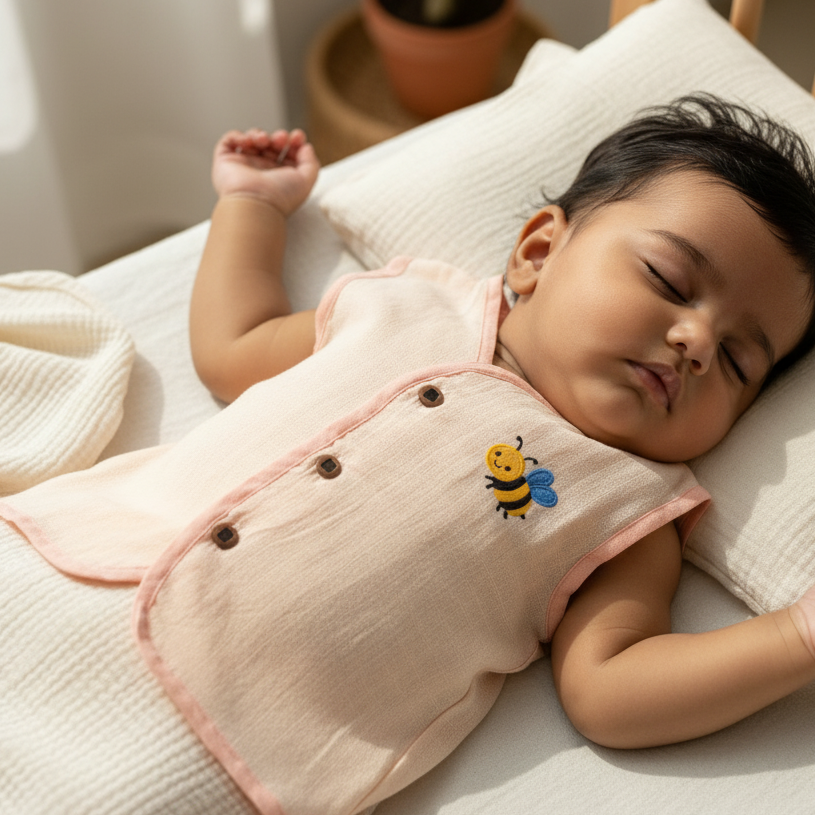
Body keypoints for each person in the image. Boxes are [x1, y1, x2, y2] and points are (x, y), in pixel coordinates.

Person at [3, 95, 815, 815]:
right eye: (668, 279)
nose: (695, 340)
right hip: (76, 567)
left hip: (241, 743)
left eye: (737, 360)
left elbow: (610, 685)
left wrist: (795, 637)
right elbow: (233, 346)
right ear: (538, 252)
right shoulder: (408, 304)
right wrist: (252, 206)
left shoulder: (631, 505)